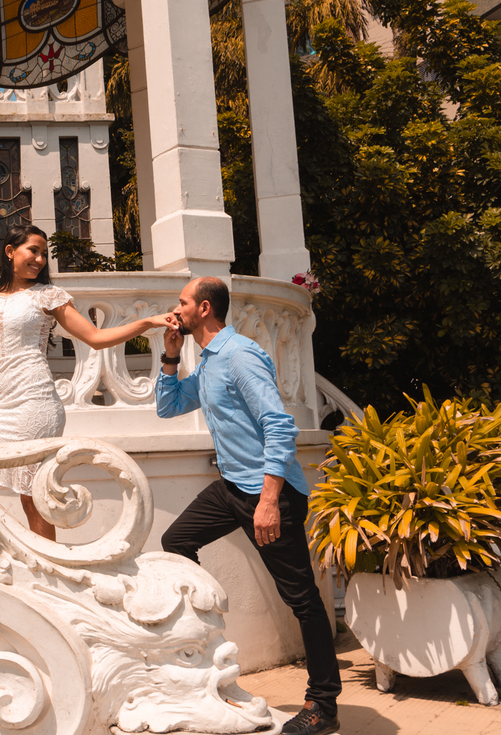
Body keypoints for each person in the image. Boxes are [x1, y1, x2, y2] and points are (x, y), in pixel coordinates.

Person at [156, 276, 341, 735]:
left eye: (181, 302)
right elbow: (169, 405)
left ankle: (324, 706)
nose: (174, 309)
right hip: (231, 487)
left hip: (266, 491)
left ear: (203, 308)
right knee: (175, 542)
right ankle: (204, 652)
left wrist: (270, 500)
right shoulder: (210, 361)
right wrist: (171, 355)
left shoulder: (240, 355)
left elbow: (279, 427)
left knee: (302, 601)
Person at [0, 224, 175, 540]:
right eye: (33, 250)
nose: (40, 259)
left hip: (37, 405)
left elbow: (96, 338)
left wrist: (146, 322)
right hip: (1, 406)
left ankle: (45, 572)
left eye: (44, 253)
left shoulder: (49, 296)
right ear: (10, 251)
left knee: (32, 496)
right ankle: (2, 545)